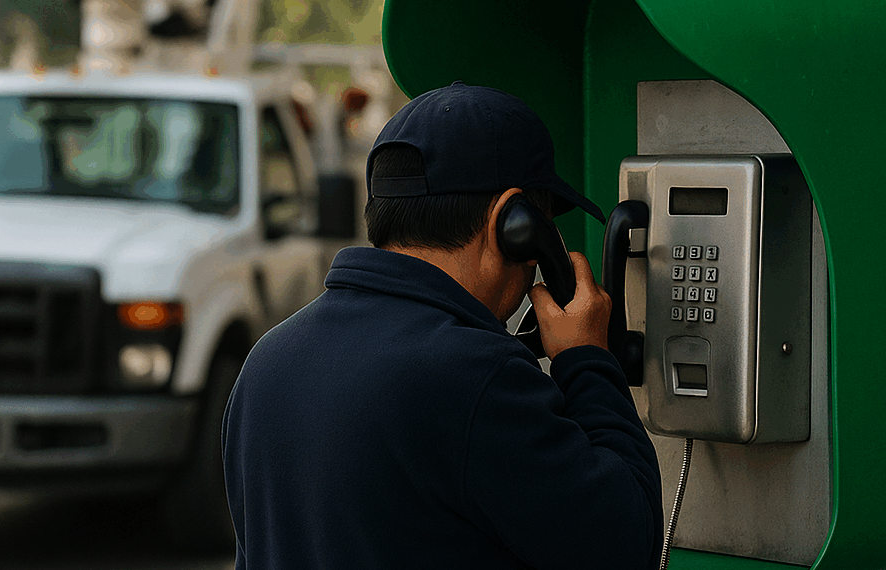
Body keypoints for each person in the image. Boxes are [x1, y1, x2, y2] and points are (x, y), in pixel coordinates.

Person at [222, 81, 663, 569]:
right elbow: (625, 543)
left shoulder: (266, 364)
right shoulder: (476, 374)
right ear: (512, 225)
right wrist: (588, 361)